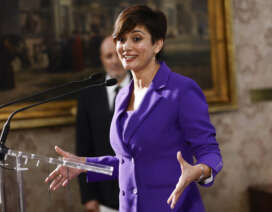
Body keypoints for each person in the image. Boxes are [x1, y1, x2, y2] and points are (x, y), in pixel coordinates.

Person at [45, 5, 223, 212]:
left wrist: (200, 170)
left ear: (157, 44)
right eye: (121, 39)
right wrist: (84, 164)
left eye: (136, 39)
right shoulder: (122, 95)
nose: (125, 47)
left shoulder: (182, 90)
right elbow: (128, 162)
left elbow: (210, 151)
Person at [76, 36, 130, 212]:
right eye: (109, 56)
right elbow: (84, 148)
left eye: (118, 54)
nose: (115, 61)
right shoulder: (88, 95)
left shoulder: (144, 89)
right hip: (103, 195)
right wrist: (88, 195)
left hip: (141, 192)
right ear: (102, 60)